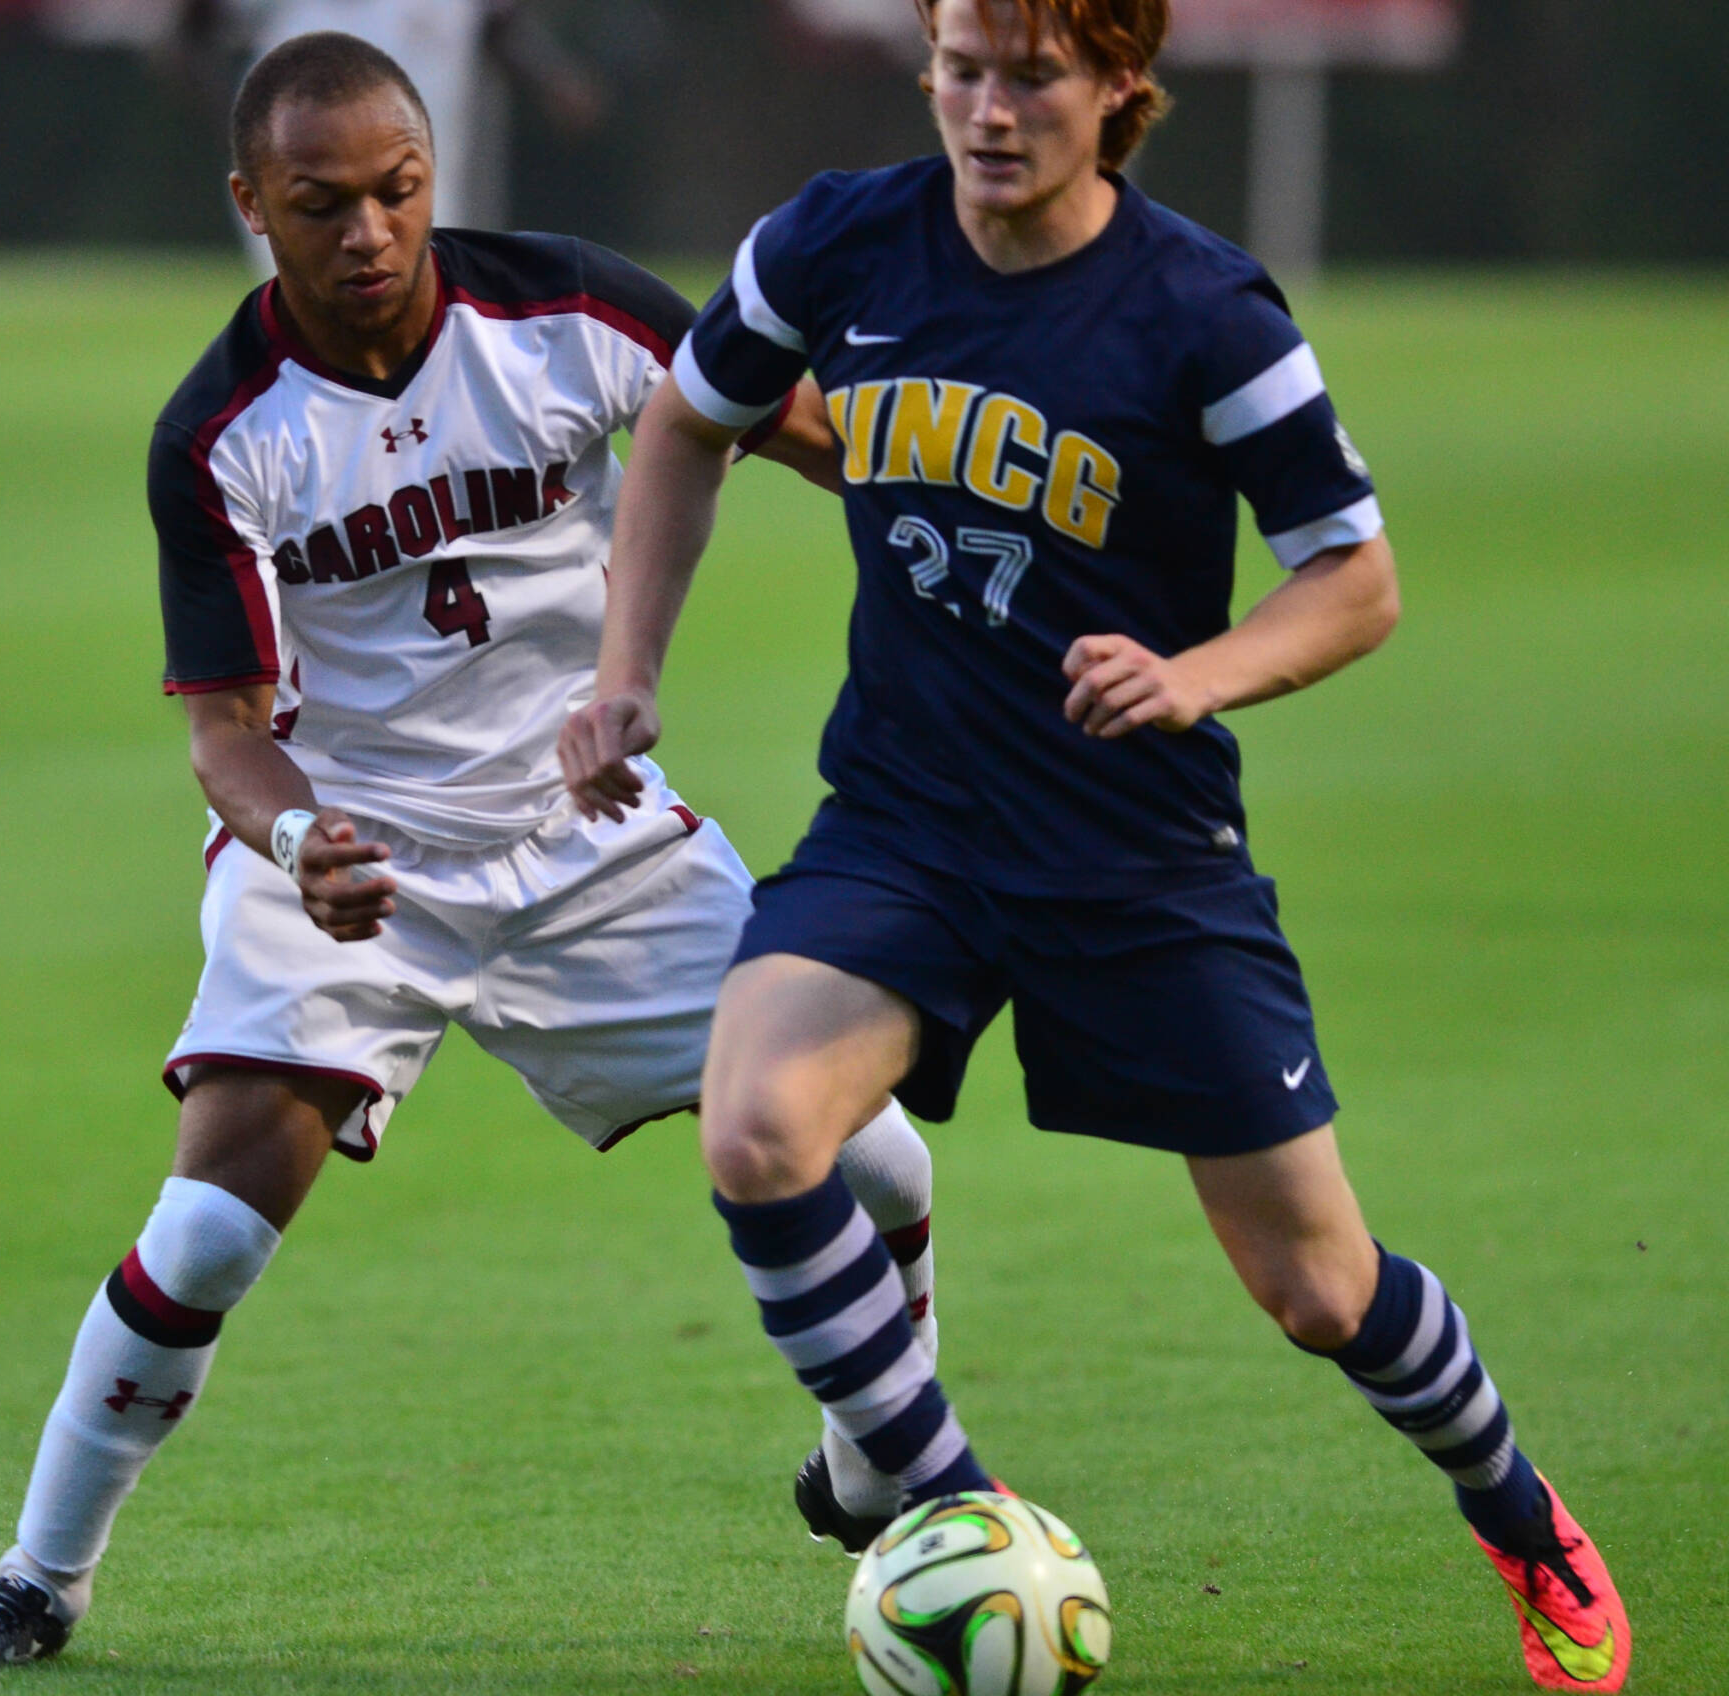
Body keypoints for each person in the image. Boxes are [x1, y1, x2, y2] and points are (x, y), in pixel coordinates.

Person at [558, 0, 1631, 1689]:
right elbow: (690, 419)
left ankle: (1520, 1517)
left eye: (1032, 79)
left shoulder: (1204, 311)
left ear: (1118, 94)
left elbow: (1356, 579)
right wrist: (626, 674)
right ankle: (948, 1506)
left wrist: (1191, 674)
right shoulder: (836, 240)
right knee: (758, 1127)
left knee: (1317, 1287)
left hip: (1137, 860)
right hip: (906, 822)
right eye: (963, 70)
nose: (989, 112)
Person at [0, 31, 937, 1669]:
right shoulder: (222, 432)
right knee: (213, 1222)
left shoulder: (574, 307)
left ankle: (880, 1463)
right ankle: (40, 1578)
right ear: (252, 204)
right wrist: (298, 838)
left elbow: (813, 432)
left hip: (592, 842)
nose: (367, 231)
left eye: (397, 191)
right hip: (352, 862)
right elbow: (226, 730)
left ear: (433, 174)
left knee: (873, 1155)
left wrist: (1003, 520)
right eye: (320, 203)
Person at [171, 0, 604, 265]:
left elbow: (499, 26)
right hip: (307, 196)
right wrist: (238, 126)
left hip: (424, 195)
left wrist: (555, 81)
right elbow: (185, 35)